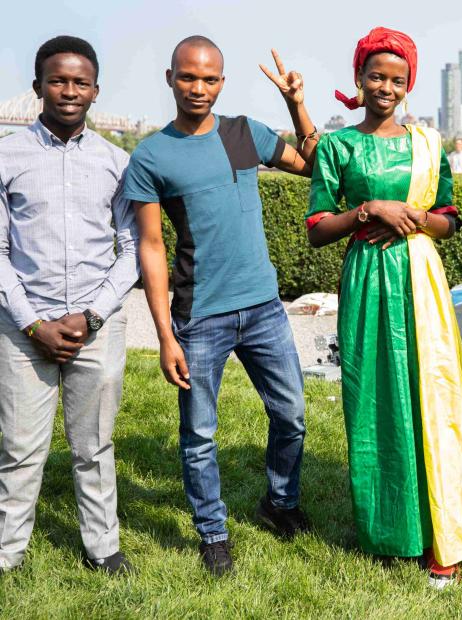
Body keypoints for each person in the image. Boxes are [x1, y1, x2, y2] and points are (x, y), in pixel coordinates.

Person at [306, 26, 462, 588]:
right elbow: (319, 227)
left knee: (431, 395)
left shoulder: (428, 144)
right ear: (359, 78)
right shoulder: (339, 146)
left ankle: (445, 534)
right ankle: (393, 530)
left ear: (409, 83)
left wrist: (416, 219)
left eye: (397, 79)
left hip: (421, 280)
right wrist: (370, 209)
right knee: (374, 398)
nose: (385, 87)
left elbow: (447, 218)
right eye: (376, 76)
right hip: (367, 278)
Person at [123, 36, 317, 576]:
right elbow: (152, 247)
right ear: (170, 79)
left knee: (293, 416)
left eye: (209, 79)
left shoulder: (243, 133)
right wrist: (166, 336)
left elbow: (316, 166)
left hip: (264, 308)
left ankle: (279, 504)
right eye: (188, 77)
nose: (198, 88)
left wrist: (295, 103)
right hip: (199, 316)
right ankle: (212, 532)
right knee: (200, 434)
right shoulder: (151, 156)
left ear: (222, 83)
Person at [0, 36, 139, 574]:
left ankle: (102, 548)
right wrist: (32, 323)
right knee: (19, 448)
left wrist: (91, 314)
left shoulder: (117, 163)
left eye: (80, 82)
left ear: (96, 91)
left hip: (95, 326)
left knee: (95, 447)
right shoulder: (7, 156)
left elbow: (131, 251)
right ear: (37, 87)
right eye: (58, 80)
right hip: (21, 326)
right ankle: (8, 552)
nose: (69, 91)